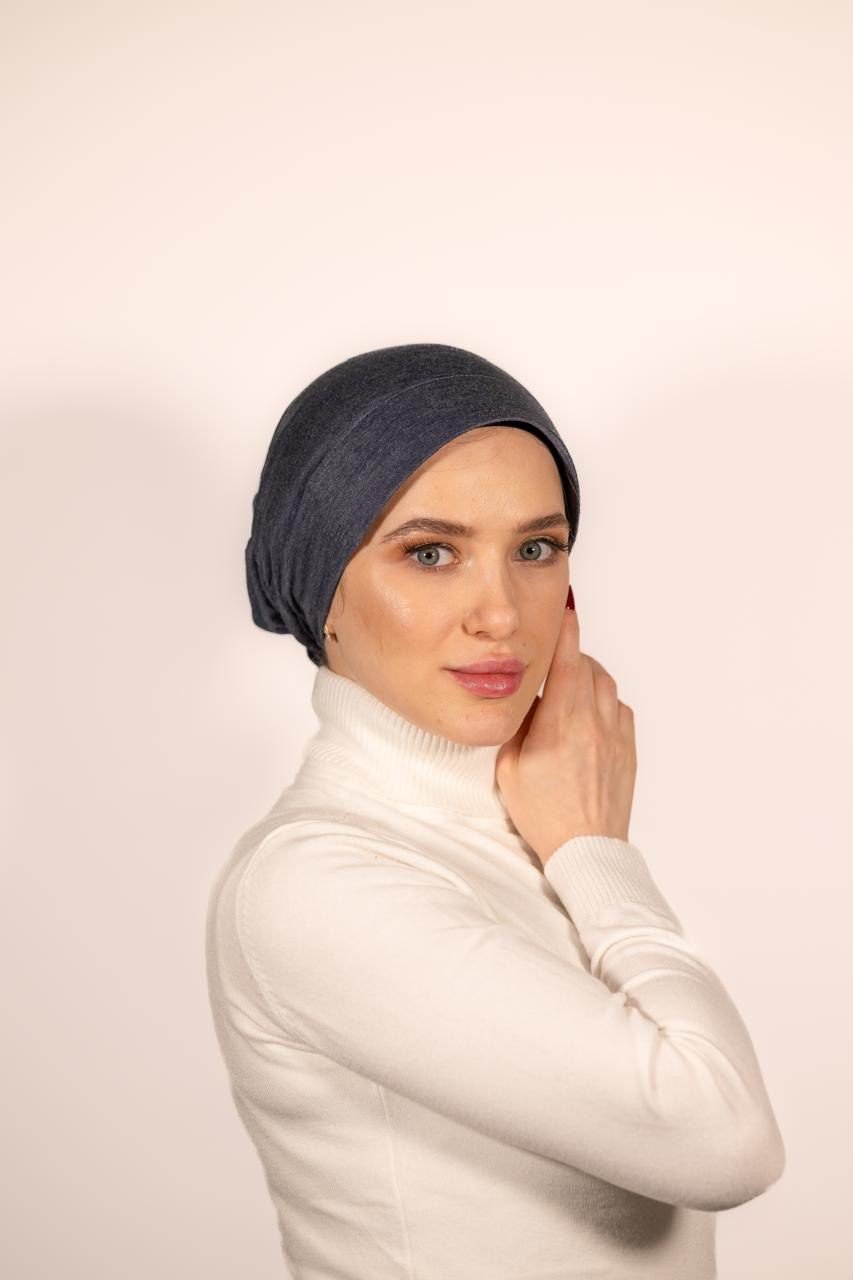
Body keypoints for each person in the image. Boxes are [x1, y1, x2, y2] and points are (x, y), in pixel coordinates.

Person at [205, 342, 785, 1279]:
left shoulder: (527, 822)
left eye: (535, 549)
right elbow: (724, 1143)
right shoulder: (313, 882)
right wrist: (596, 853)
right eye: (430, 553)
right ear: (321, 589)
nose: (502, 614)